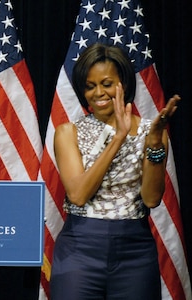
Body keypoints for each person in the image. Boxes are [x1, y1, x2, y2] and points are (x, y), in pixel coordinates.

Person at [50, 43, 180, 299]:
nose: (98, 92)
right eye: (90, 86)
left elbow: (152, 199)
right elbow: (77, 194)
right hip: (80, 249)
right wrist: (118, 137)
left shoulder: (151, 132)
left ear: (124, 84)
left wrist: (154, 145)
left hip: (134, 251)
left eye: (107, 83)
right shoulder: (68, 133)